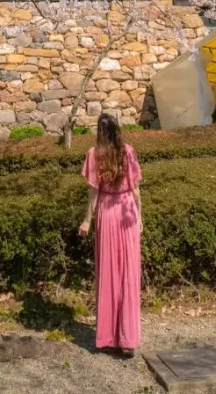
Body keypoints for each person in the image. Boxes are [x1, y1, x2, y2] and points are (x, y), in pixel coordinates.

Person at [79, 114, 142, 356]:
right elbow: (136, 190)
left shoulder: (94, 154)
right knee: (128, 273)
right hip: (127, 213)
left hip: (107, 212)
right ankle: (128, 338)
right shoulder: (128, 151)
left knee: (108, 273)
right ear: (118, 129)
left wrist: (87, 220)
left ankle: (108, 337)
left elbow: (93, 193)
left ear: (99, 131)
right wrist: (140, 218)